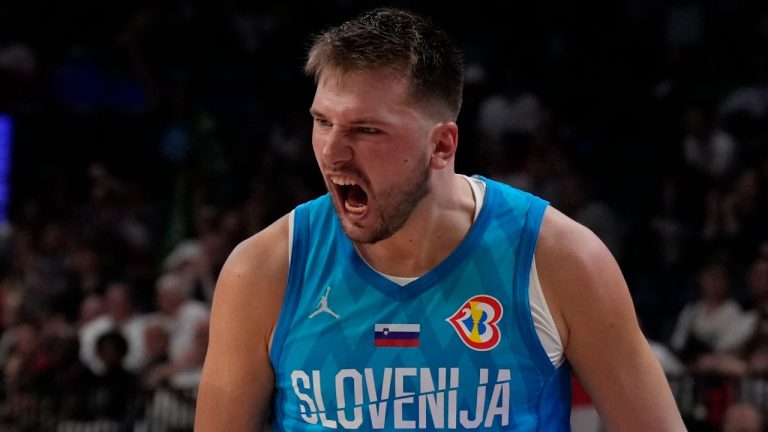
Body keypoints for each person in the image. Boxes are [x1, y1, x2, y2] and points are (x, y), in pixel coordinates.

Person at [195, 7, 685, 431]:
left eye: (367, 130)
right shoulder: (263, 270)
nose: (332, 153)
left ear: (442, 145)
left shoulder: (559, 259)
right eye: (323, 121)